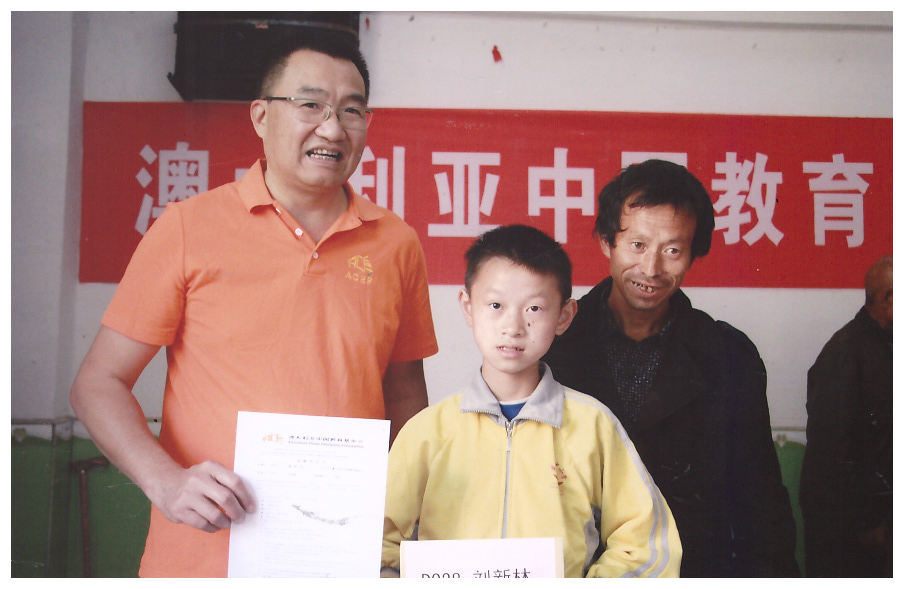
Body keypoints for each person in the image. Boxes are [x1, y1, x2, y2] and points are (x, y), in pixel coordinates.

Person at [69, 33, 438, 578]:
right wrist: (166, 483)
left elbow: (404, 393)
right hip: (204, 558)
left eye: (351, 110)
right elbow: (98, 383)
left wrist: (404, 521)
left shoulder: (395, 243)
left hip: (340, 559)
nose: (332, 129)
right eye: (310, 104)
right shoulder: (189, 228)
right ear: (261, 116)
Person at [543, 159, 799, 577]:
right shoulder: (551, 343)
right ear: (607, 242)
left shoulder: (728, 354)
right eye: (637, 245)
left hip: (692, 569)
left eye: (673, 250)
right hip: (582, 570)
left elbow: (760, 496)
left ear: (694, 254)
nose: (651, 269)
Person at [382, 224, 682, 578]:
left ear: (564, 316)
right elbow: (377, 541)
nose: (513, 327)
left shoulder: (593, 426)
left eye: (535, 308)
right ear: (468, 306)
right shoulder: (428, 431)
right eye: (496, 305)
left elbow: (645, 544)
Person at [799, 255, 892, 577]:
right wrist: (867, 522)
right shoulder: (845, 352)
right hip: (845, 524)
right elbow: (832, 451)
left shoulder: (884, 344)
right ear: (887, 298)